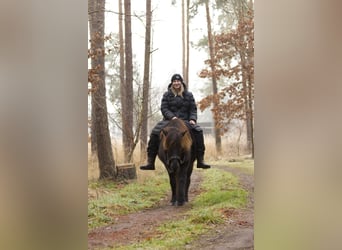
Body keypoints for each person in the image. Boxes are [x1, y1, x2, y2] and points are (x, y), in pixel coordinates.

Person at [140, 73, 211, 170]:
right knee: (155, 132)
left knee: (198, 131)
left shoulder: (189, 95)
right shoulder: (167, 95)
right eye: (174, 81)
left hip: (185, 121)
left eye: (178, 81)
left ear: (181, 82)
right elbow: (164, 108)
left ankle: (200, 160)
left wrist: (192, 119)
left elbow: (193, 109)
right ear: (172, 83)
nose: (176, 83)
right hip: (169, 121)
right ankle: (150, 161)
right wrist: (172, 117)